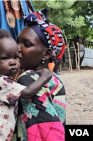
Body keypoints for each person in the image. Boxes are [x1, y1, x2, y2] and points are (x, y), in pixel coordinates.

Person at [13, 9, 66, 141]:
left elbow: (44, 130)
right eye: (17, 42)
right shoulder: (54, 79)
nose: (17, 48)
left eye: (27, 44)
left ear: (46, 54)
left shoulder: (28, 79)